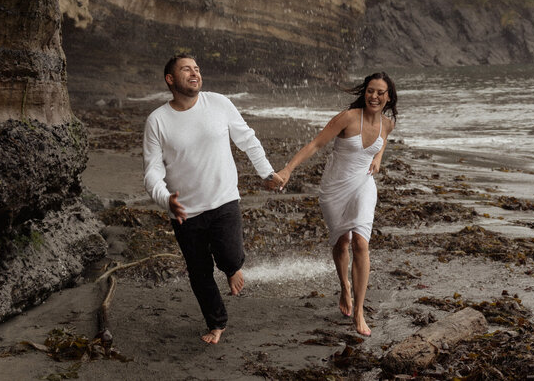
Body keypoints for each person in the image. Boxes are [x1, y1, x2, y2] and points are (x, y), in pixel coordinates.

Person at [143, 54, 284, 344]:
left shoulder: (218, 103)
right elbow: (152, 172)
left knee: (231, 256)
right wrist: (165, 199)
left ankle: (232, 268)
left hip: (224, 200)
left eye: (197, 68)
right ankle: (216, 323)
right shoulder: (157, 121)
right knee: (199, 273)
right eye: (186, 70)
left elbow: (247, 139)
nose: (195, 73)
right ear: (170, 79)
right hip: (184, 212)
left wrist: (266, 172)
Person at [274, 72, 398, 337]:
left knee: (360, 243)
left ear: (388, 97)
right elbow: (316, 144)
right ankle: (345, 287)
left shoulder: (388, 123)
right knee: (341, 242)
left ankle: (360, 312)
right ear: (364, 92)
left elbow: (383, 139)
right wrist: (287, 170)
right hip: (334, 188)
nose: (374, 96)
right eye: (370, 91)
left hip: (364, 184)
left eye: (380, 93)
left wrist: (378, 157)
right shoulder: (348, 118)